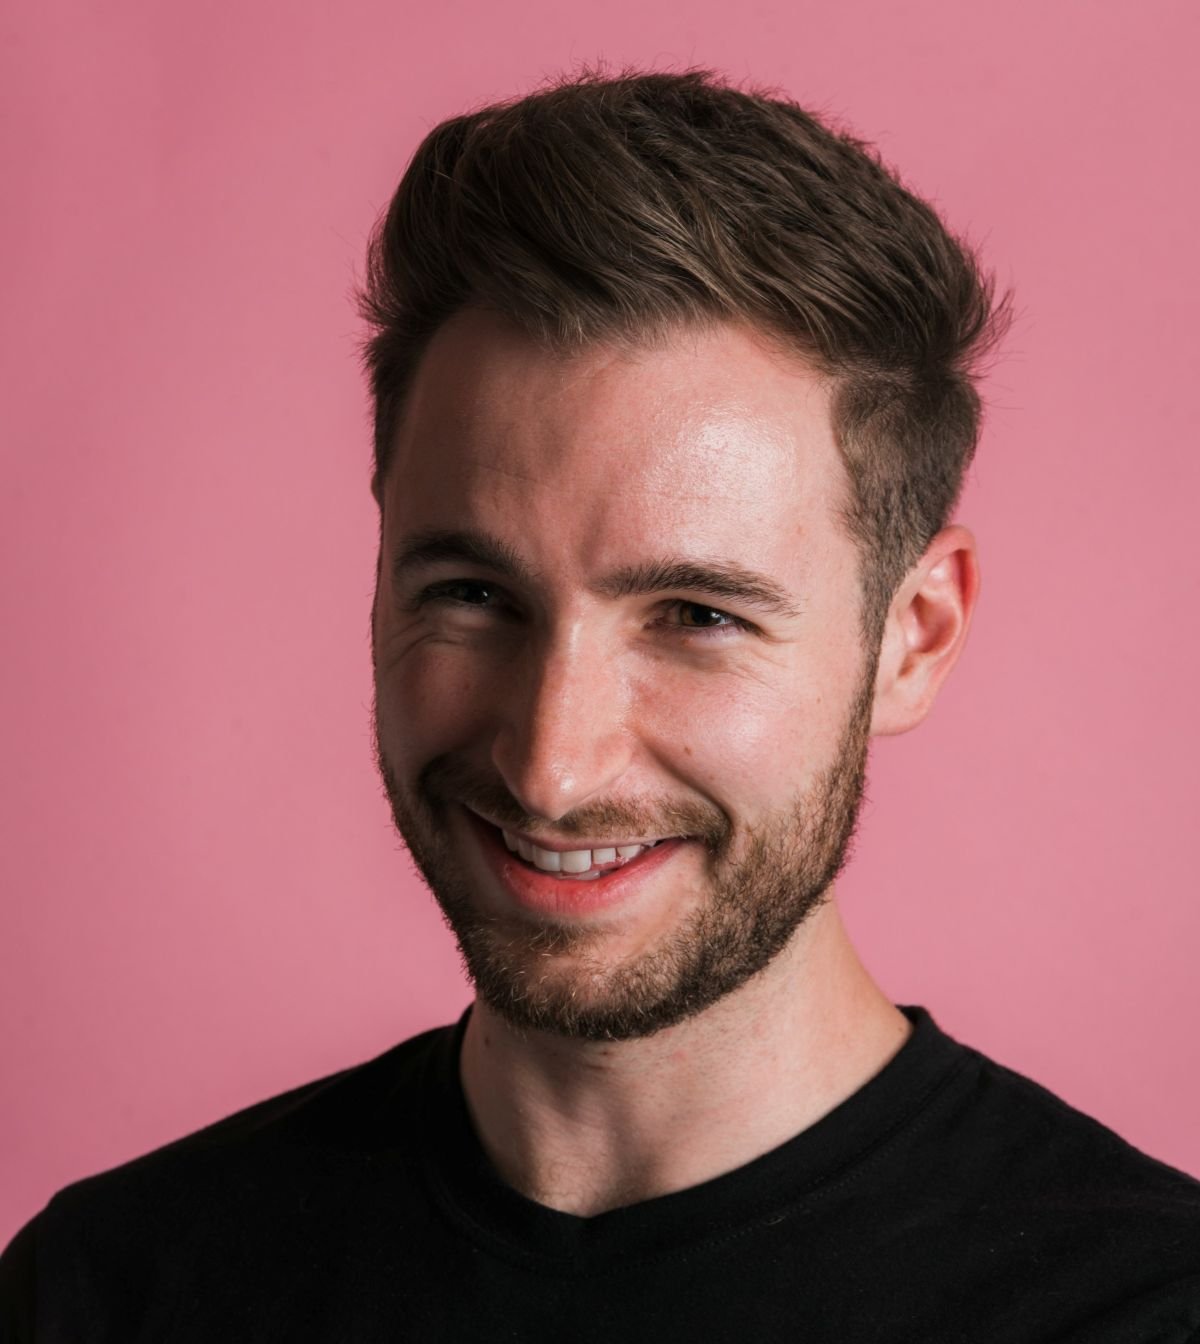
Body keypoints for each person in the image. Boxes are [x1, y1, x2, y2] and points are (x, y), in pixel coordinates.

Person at [3, 67, 1199, 1342]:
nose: (550, 768)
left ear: (915, 635)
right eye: (471, 593)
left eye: (696, 616)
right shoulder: (116, 1289)